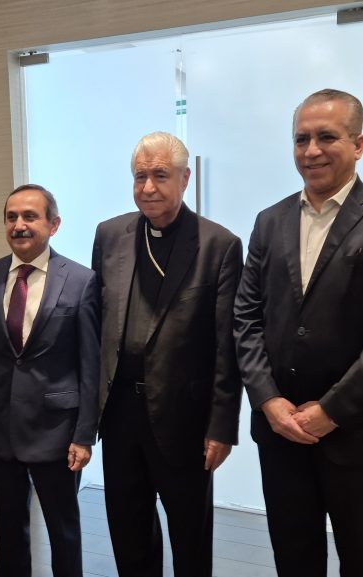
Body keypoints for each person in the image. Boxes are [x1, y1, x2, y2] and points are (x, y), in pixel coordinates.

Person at [233, 88, 363, 577]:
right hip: (281, 432)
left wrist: (331, 411)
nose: (312, 150)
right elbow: (246, 317)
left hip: (357, 432)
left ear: (359, 144)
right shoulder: (269, 221)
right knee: (294, 560)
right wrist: (268, 400)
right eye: (301, 139)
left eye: (327, 137)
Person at [92, 131, 243, 577]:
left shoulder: (218, 245)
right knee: (128, 529)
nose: (148, 188)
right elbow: (95, 323)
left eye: (160, 175)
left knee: (189, 535)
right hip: (119, 412)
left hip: (185, 418)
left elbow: (228, 344)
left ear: (185, 178)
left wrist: (221, 426)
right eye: (140, 177)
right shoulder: (110, 235)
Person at [0, 184, 99, 577]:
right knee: (8, 530)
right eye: (12, 217)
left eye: (30, 216)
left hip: (57, 431)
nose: (19, 225)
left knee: (63, 530)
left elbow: (90, 365)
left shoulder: (81, 280)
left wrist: (84, 435)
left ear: (54, 225)